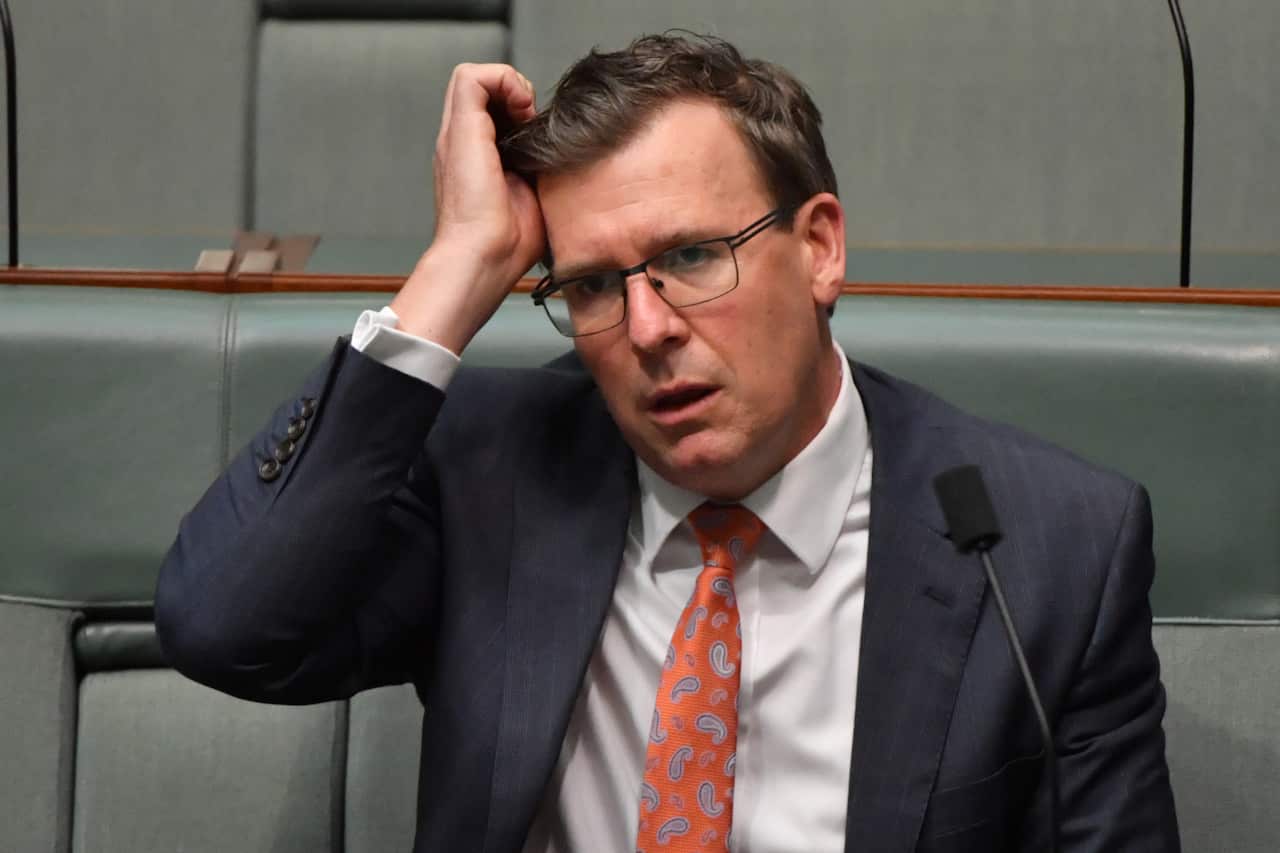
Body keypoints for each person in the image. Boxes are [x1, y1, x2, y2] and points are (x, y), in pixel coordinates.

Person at [155, 33, 1180, 852]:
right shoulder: (496, 469)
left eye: (691, 257)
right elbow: (225, 626)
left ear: (818, 246)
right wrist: (459, 264)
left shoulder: (1045, 549)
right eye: (594, 285)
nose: (646, 328)